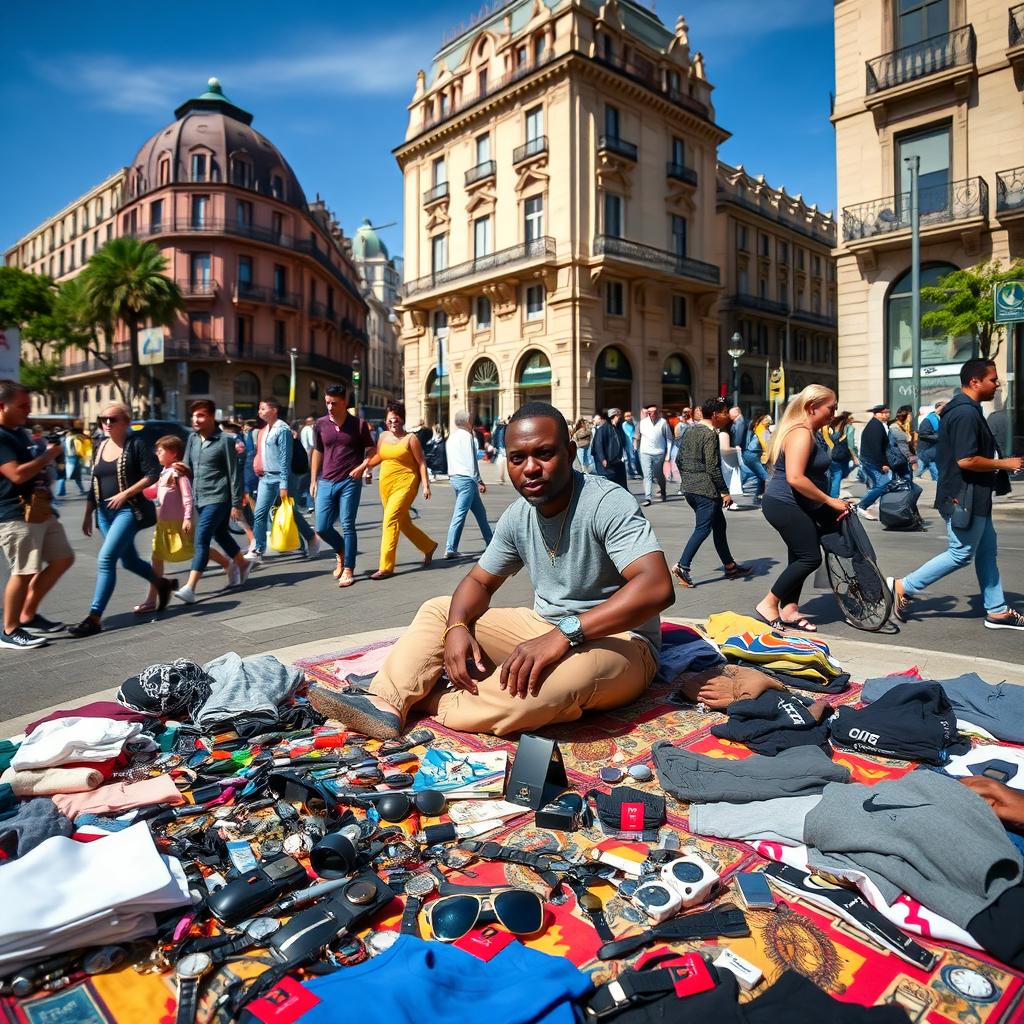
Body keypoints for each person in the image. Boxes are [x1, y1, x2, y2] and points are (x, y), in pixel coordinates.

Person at [307, 402, 674, 738]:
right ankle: (384, 702)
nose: (530, 468)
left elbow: (656, 587)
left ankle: (431, 699)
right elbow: (479, 581)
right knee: (440, 610)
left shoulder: (606, 502)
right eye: (517, 458)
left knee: (539, 695)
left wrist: (563, 635)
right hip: (544, 627)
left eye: (544, 454)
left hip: (622, 642)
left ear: (570, 453)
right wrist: (456, 629)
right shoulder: (518, 515)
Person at [888, 359, 1024, 631]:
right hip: (964, 496)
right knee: (961, 552)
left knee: (987, 551)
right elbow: (966, 460)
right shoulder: (964, 413)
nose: (997, 384)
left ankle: (996, 610)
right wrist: (1004, 464)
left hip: (974, 495)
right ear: (975, 382)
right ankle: (903, 586)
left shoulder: (965, 409)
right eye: (993, 379)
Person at [68, 403, 177, 638]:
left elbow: (152, 474)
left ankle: (94, 618)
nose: (106, 423)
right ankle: (163, 585)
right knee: (128, 561)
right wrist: (88, 512)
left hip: (130, 511)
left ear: (126, 422)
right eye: (103, 419)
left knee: (106, 558)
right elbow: (95, 482)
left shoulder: (135, 444)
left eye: (112, 419)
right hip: (104, 514)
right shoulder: (100, 445)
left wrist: (125, 493)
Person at [755, 385, 851, 632]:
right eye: (831, 407)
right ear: (812, 407)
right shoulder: (801, 433)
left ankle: (789, 609)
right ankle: (769, 603)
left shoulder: (810, 431)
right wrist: (829, 501)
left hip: (796, 503)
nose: (834, 412)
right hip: (784, 503)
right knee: (810, 557)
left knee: (798, 555)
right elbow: (795, 478)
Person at [0, 381, 74, 649]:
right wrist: (47, 456)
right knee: (23, 572)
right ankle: (9, 630)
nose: (27, 412)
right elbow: (16, 474)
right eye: (22, 406)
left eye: (29, 406)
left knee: (63, 557)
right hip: (15, 513)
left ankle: (27, 614)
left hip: (40, 509)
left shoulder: (18, 432)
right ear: (1, 406)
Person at [172, 400, 252, 604]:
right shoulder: (192, 439)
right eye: (193, 416)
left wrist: (235, 503)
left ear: (211, 417)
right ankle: (242, 563)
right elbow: (188, 467)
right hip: (199, 496)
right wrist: (178, 469)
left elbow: (234, 473)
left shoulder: (225, 440)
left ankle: (190, 587)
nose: (195, 420)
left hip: (219, 497)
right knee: (221, 533)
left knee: (202, 538)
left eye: (200, 415)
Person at [351, 401, 436, 580]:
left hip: (406, 483)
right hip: (386, 485)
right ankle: (428, 546)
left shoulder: (410, 439)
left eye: (396, 420)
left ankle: (386, 567)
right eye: (389, 421)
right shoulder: (383, 437)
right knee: (403, 523)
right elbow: (380, 456)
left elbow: (421, 462)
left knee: (390, 520)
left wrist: (426, 485)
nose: (392, 423)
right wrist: (366, 467)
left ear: (402, 420)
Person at [672, 396, 750, 588]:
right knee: (703, 528)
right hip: (706, 490)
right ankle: (682, 566)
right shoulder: (710, 434)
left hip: (690, 488)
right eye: (724, 412)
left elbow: (678, 460)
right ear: (715, 414)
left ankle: (730, 566)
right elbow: (713, 467)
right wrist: (725, 492)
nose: (727, 416)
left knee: (719, 526)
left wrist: (688, 479)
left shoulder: (690, 430)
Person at [310, 385, 374, 588]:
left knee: (348, 524)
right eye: (327, 402)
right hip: (326, 480)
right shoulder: (320, 424)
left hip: (349, 481)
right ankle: (341, 550)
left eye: (334, 403)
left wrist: (363, 467)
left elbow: (372, 451)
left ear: (344, 403)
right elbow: (318, 451)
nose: (329, 406)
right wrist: (313, 480)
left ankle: (348, 568)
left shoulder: (359, 425)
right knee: (321, 526)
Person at [135, 434, 206, 614]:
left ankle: (229, 563)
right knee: (156, 559)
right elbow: (154, 492)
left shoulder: (177, 472)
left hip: (178, 523)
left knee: (196, 549)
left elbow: (187, 496)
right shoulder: (165, 471)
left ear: (173, 453)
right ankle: (151, 600)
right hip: (163, 525)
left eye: (160, 450)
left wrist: (188, 518)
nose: (157, 453)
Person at [245, 399, 318, 564]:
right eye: (259, 408)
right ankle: (258, 549)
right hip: (266, 477)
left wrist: (284, 484)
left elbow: (285, 459)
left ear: (274, 410)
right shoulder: (264, 430)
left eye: (263, 408)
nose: (260, 411)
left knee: (289, 511)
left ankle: (311, 538)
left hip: (282, 477)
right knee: (260, 513)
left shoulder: (282, 429)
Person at [444, 411, 493, 559]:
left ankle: (491, 543)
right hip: (467, 479)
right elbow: (471, 460)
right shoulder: (467, 436)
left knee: (480, 513)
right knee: (460, 514)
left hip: (455, 477)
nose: (472, 421)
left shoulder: (451, 437)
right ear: (466, 421)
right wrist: (479, 480)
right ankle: (450, 548)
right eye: (471, 419)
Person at [856, 404, 891, 520]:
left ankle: (870, 505)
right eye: (885, 413)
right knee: (883, 484)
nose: (887, 415)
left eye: (887, 412)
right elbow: (876, 448)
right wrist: (883, 464)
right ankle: (861, 506)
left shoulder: (876, 425)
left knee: (877, 485)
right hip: (872, 461)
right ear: (877, 414)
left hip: (871, 460)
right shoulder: (875, 426)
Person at [636, 403, 673, 506]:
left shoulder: (663, 423)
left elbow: (669, 439)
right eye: (650, 412)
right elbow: (637, 436)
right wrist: (635, 447)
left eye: (655, 412)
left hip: (659, 453)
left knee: (658, 475)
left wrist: (668, 454)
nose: (652, 414)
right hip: (645, 453)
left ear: (658, 413)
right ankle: (648, 498)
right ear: (647, 414)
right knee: (647, 475)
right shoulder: (642, 423)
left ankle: (663, 491)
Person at [591, 407, 629, 489]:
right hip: (606, 461)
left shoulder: (617, 427)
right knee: (609, 481)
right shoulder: (604, 428)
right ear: (613, 416)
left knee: (620, 480)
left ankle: (623, 495)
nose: (620, 418)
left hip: (616, 460)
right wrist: (603, 459)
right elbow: (598, 444)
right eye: (618, 416)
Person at [824, 411, 859, 499]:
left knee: (836, 474)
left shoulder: (833, 426)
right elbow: (850, 445)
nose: (853, 420)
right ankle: (834, 496)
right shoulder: (850, 428)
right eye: (851, 418)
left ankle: (830, 493)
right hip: (841, 455)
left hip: (831, 454)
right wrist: (855, 457)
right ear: (847, 419)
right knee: (838, 474)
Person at [742, 413, 772, 501]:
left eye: (769, 420)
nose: (768, 421)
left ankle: (758, 497)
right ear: (761, 421)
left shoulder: (761, 429)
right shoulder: (762, 430)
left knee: (760, 477)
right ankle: (768, 498)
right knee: (765, 476)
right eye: (765, 419)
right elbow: (765, 445)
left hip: (753, 455)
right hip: (752, 455)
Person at [888, 404, 917, 486]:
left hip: (902, 460)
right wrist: (912, 459)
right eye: (910, 415)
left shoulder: (904, 427)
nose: (911, 417)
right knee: (906, 483)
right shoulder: (894, 428)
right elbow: (902, 446)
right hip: (899, 460)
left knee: (905, 483)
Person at [57, 423, 89, 497]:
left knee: (64, 476)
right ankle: (81, 490)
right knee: (76, 476)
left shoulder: (63, 439)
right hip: (72, 458)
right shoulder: (73, 438)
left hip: (66, 458)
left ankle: (61, 491)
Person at [916, 401, 944, 481]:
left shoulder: (939, 418)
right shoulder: (929, 419)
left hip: (932, 449)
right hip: (925, 449)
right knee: (924, 466)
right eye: (942, 407)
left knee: (928, 465)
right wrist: (938, 437)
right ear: (937, 407)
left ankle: (936, 480)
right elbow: (922, 434)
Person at [672, 408, 693, 494]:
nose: (686, 414)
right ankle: (683, 487)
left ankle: (687, 487)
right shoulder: (679, 424)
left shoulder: (690, 424)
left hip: (689, 449)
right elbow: (677, 437)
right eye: (684, 412)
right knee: (682, 468)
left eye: (688, 412)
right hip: (680, 449)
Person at [621, 410, 641, 479]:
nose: (628, 417)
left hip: (634, 443)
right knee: (629, 458)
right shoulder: (624, 424)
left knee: (635, 458)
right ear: (624, 417)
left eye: (630, 416)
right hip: (628, 443)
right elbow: (629, 434)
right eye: (627, 416)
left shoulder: (634, 423)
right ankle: (630, 472)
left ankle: (635, 471)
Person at [492, 418, 507, 484]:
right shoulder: (498, 429)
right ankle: (501, 478)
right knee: (500, 463)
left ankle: (501, 478)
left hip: (504, 448)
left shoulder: (505, 428)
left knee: (500, 462)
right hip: (500, 448)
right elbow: (495, 438)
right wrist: (495, 447)